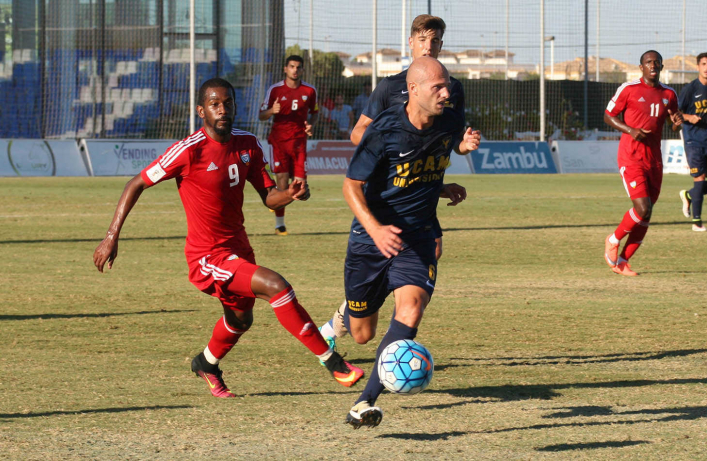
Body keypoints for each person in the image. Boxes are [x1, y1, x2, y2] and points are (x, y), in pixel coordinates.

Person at [93, 78, 362, 399]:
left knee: (240, 320)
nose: (222, 110)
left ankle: (206, 364)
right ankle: (334, 363)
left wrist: (289, 194)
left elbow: (269, 196)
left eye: (228, 103)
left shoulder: (247, 144)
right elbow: (135, 183)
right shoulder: (189, 150)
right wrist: (111, 236)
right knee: (276, 286)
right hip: (207, 257)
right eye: (215, 104)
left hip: (238, 249)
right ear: (201, 110)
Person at [336, 57, 480, 428]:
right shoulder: (384, 130)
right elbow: (351, 186)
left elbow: (430, 160)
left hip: (418, 236)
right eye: (438, 87)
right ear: (413, 90)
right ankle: (346, 313)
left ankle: (364, 401)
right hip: (371, 240)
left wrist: (444, 181)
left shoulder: (449, 120)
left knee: (411, 310)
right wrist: (375, 229)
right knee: (362, 334)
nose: (446, 93)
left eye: (447, 85)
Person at [319, 13, 472, 347]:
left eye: (435, 41)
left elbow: (448, 142)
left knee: (433, 250)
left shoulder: (452, 90)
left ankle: (399, 320)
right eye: (423, 40)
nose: (428, 47)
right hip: (384, 197)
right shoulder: (390, 87)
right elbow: (358, 133)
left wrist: (460, 149)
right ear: (411, 43)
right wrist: (390, 148)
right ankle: (353, 311)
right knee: (363, 334)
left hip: (420, 199)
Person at [603, 50, 683, 276]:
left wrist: (676, 124)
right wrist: (630, 130)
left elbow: (673, 123)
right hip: (631, 157)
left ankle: (622, 262)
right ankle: (613, 240)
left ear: (662, 66)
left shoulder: (669, 94)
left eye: (657, 62)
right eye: (648, 62)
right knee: (643, 208)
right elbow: (608, 116)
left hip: (654, 160)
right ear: (641, 67)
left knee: (647, 214)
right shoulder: (629, 89)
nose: (653, 66)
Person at [259, 55, 320, 235]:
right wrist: (272, 110)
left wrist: (311, 125)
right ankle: (280, 225)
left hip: (299, 144)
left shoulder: (309, 90)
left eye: (298, 67)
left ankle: (276, 202)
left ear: (302, 70)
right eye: (292, 66)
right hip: (279, 143)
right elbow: (261, 115)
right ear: (285, 69)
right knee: (283, 182)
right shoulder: (275, 90)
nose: (295, 70)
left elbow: (315, 113)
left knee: (300, 187)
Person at [677, 51, 707, 232]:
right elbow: (676, 113)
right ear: (698, 66)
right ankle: (696, 222)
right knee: (699, 178)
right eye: (703, 64)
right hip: (693, 140)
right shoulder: (690, 89)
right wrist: (689, 117)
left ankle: (689, 195)